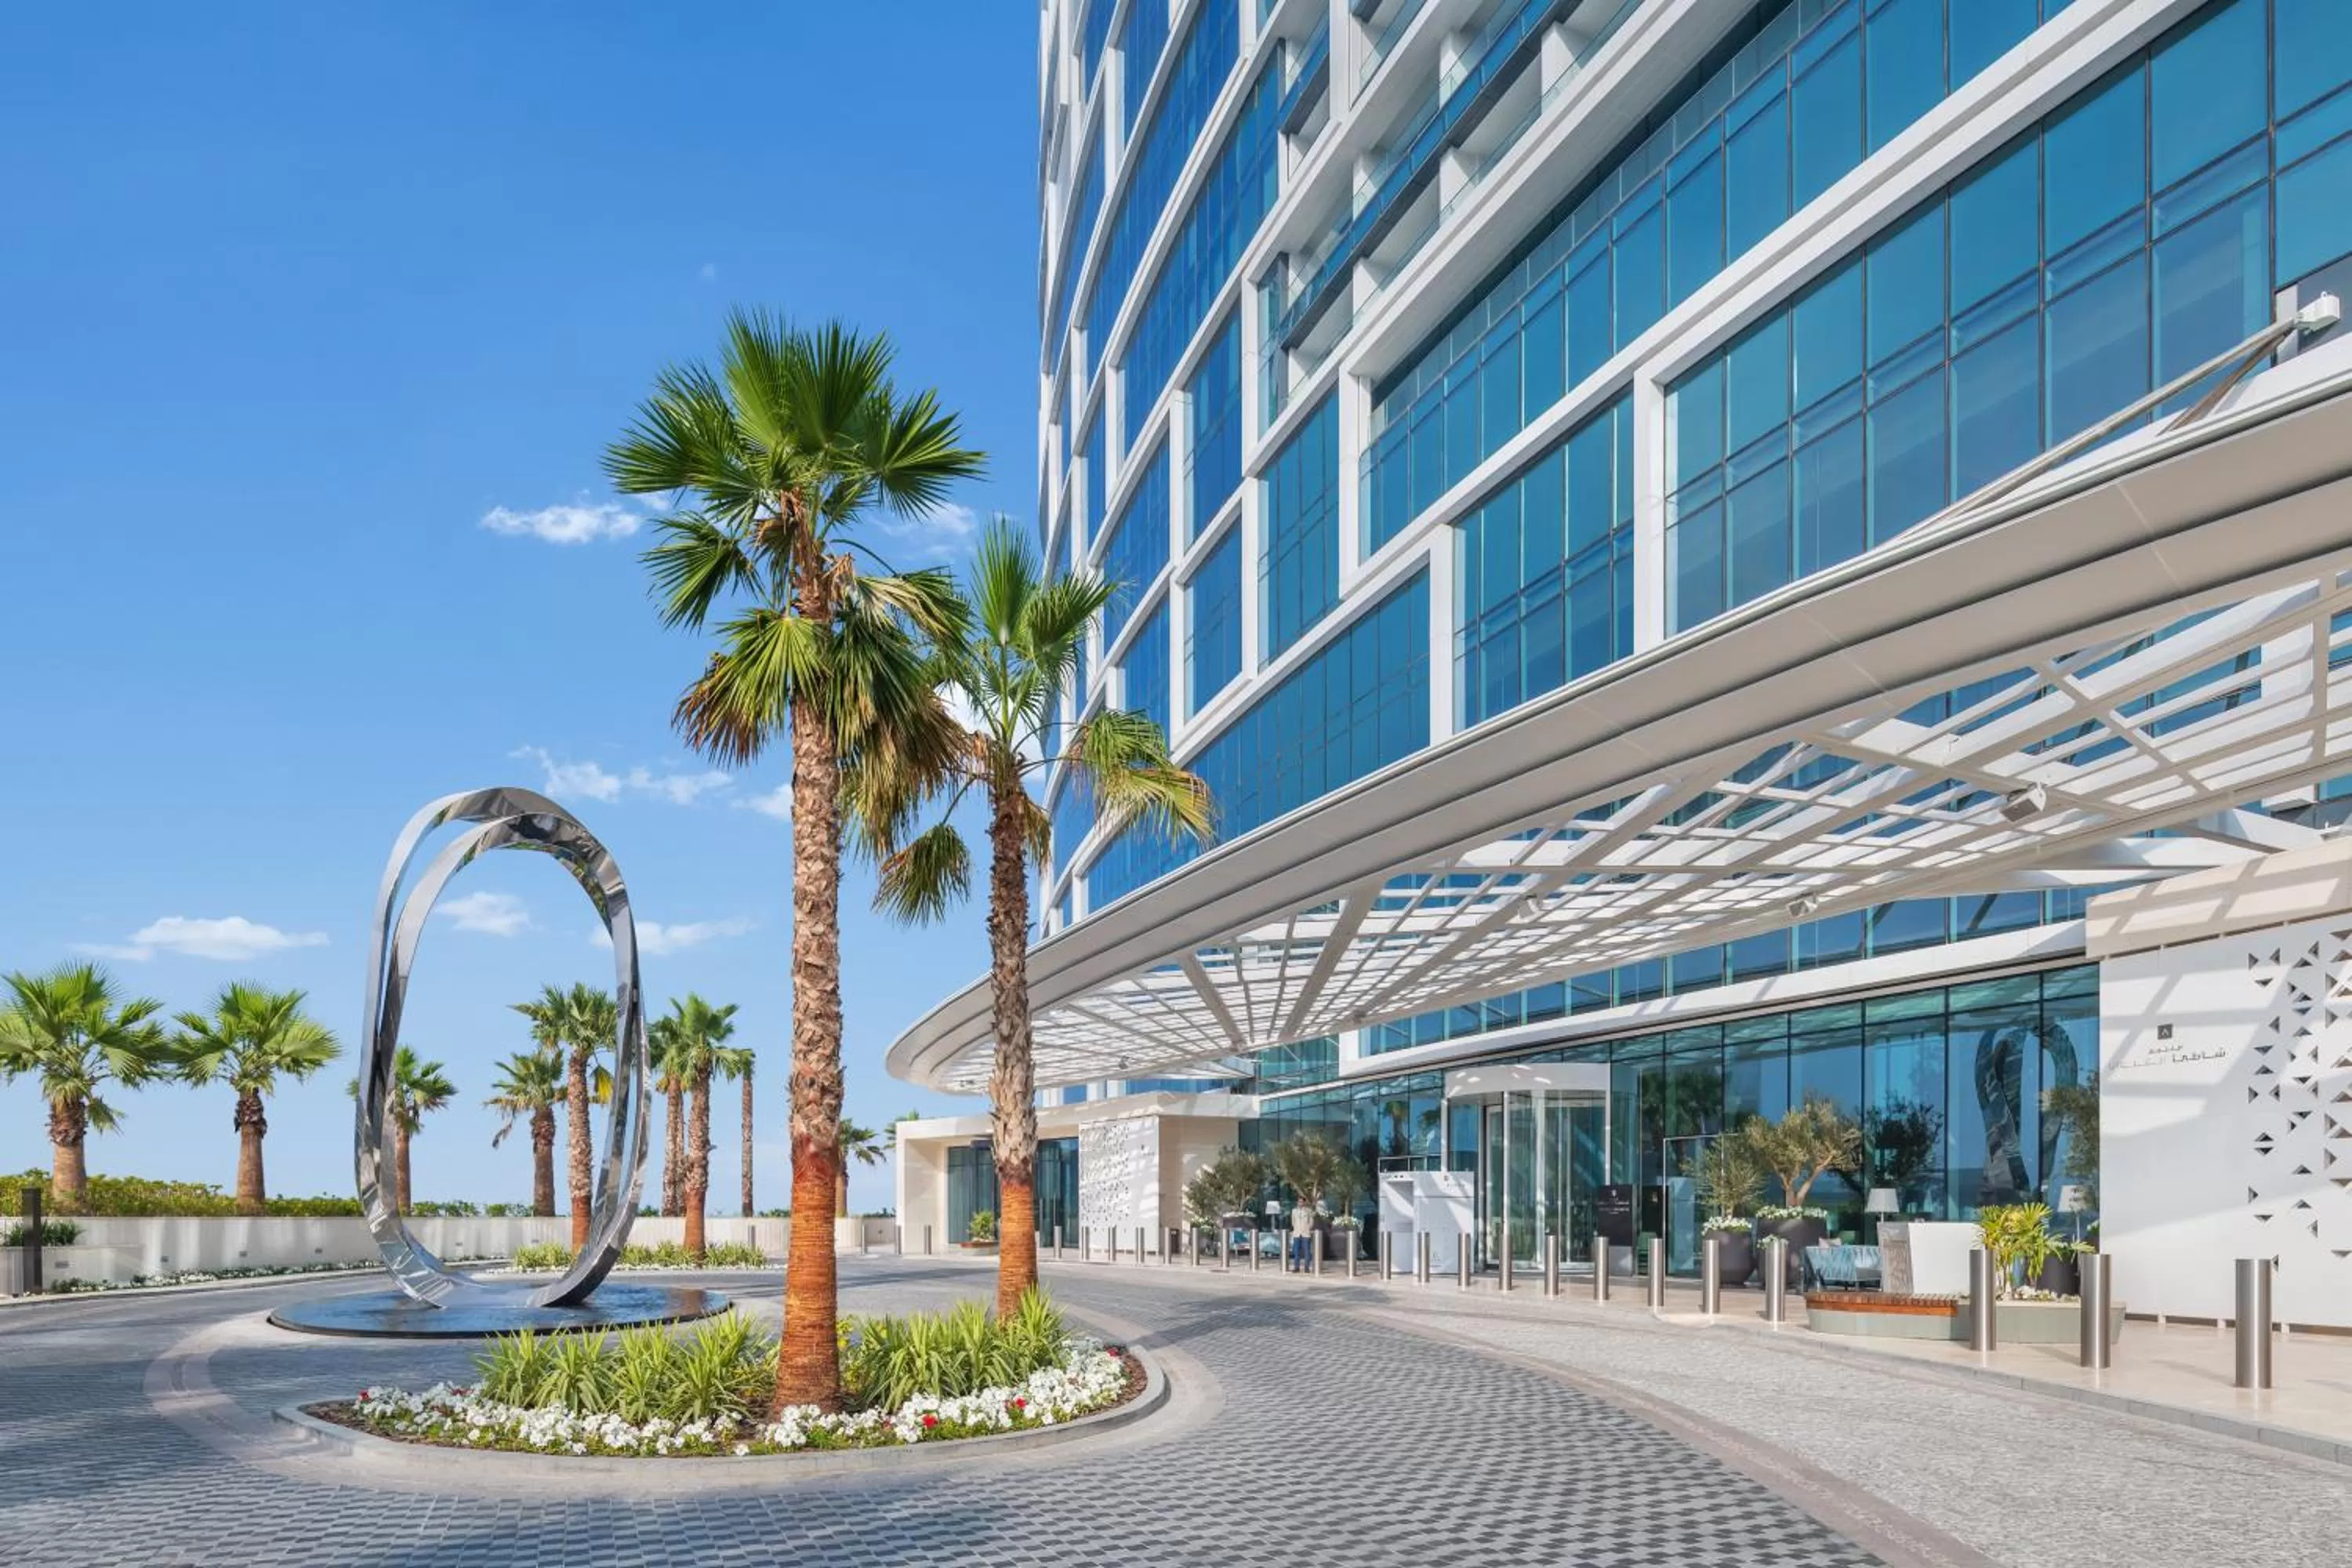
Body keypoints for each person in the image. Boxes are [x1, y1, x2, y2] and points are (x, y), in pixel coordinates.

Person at [1289, 1197, 1316, 1272]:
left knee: (1307, 1251)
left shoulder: (1308, 1211)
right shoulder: (1294, 1211)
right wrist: (1296, 1228)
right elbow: (1293, 1222)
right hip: (1297, 1233)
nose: (1300, 1203)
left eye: (1301, 1202)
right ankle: (1296, 1267)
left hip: (1306, 1233)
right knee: (1296, 1251)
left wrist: (1308, 1228)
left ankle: (1307, 1267)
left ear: (1304, 1203)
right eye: (1299, 1202)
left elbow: (1311, 1222)